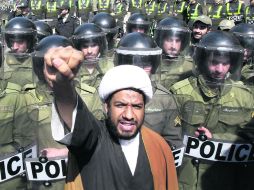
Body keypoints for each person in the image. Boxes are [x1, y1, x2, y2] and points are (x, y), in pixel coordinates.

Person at [43, 45, 179, 189]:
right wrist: (62, 86)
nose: (129, 115)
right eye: (120, 105)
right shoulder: (94, 139)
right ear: (106, 107)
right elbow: (77, 119)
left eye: (137, 106)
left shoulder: (158, 145)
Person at [170, 31, 254, 190]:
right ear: (202, 61)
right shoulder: (181, 91)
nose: (219, 69)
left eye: (225, 63)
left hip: (221, 179)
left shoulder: (244, 98)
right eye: (214, 62)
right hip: (185, 179)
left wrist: (216, 139)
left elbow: (250, 139)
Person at [114, 31, 182, 149]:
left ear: (154, 67)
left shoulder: (164, 99)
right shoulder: (109, 94)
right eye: (133, 65)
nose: (139, 71)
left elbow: (173, 140)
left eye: (146, 66)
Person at [154, 16, 193, 89]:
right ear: (161, 41)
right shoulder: (152, 64)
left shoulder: (189, 68)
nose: (173, 46)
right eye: (169, 40)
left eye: (177, 41)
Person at [71, 23, 112, 89]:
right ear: (79, 48)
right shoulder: (73, 71)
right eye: (85, 46)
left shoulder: (110, 68)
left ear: (100, 46)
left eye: (93, 45)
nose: (89, 51)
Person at [2, 17, 37, 88]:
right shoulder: (2, 61)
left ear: (30, 42)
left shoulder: (38, 63)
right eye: (12, 42)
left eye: (20, 42)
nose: (15, 47)